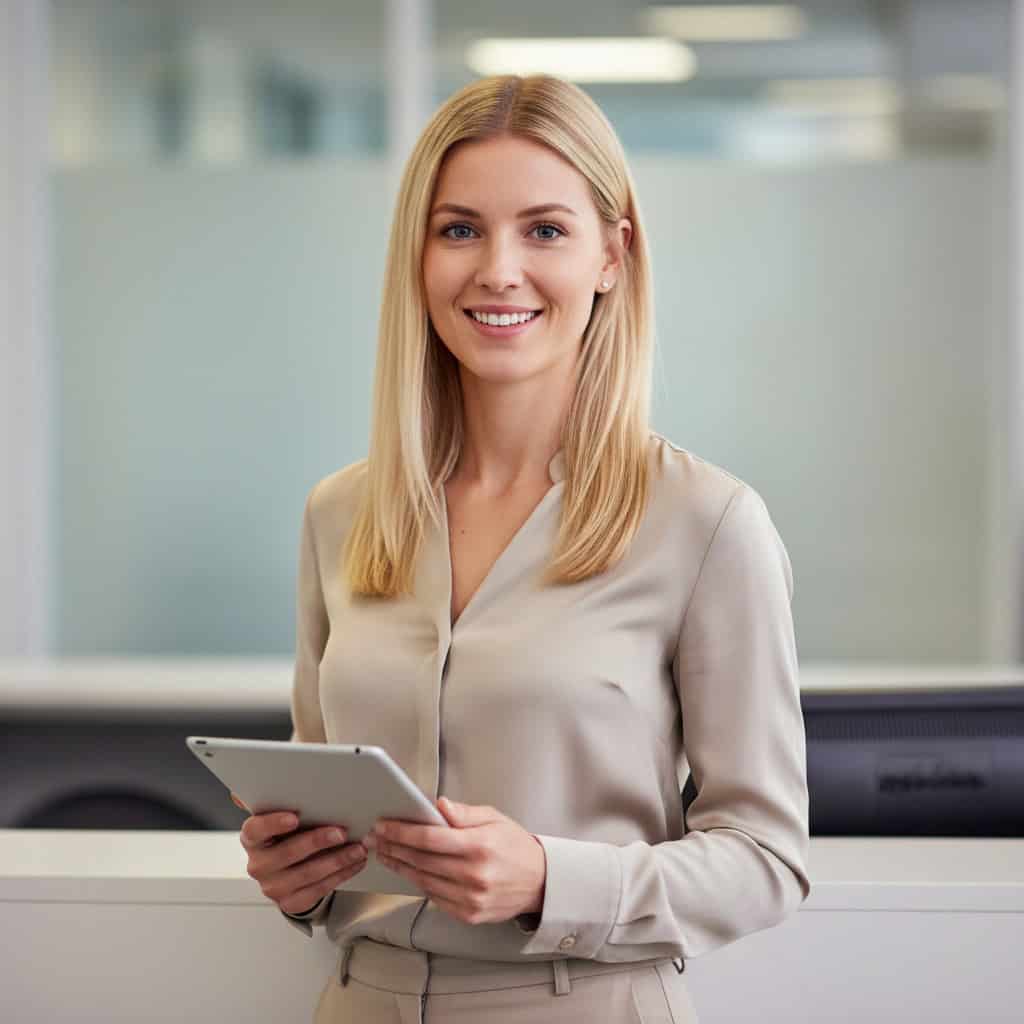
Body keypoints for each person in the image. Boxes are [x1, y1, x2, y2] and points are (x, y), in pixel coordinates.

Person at [237, 73, 811, 1023]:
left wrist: (552, 877)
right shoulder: (341, 513)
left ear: (611, 256)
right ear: (417, 258)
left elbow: (767, 861)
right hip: (359, 1000)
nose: (497, 270)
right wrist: (296, 872)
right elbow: (317, 800)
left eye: (544, 230)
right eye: (459, 229)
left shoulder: (706, 523)